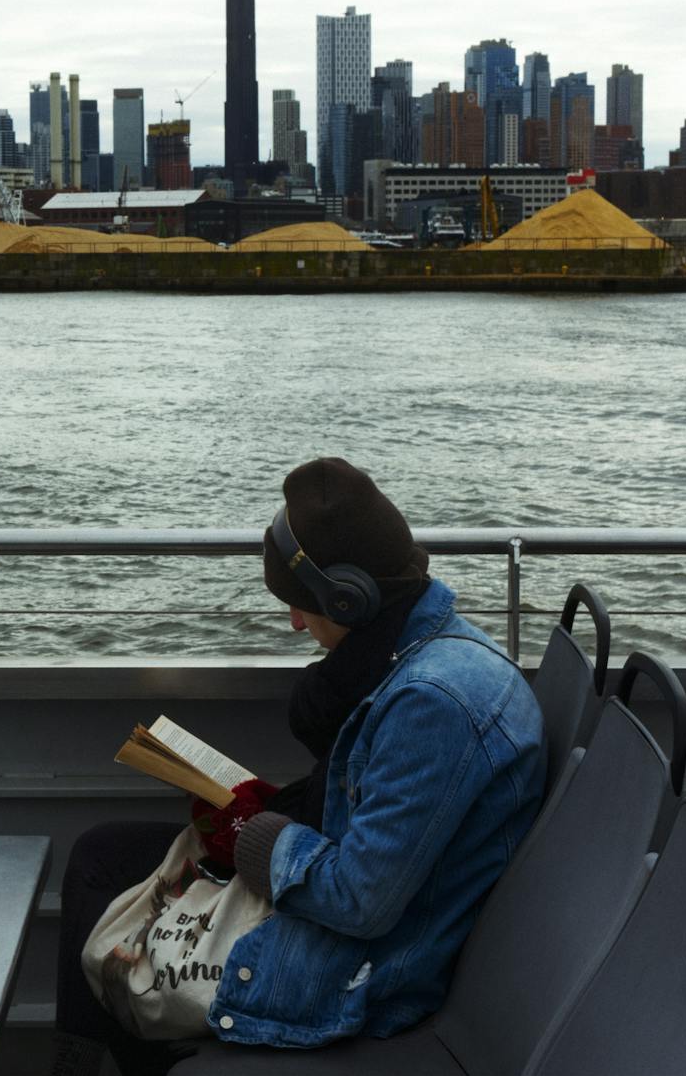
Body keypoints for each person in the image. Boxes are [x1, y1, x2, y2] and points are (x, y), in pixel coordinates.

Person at [51, 459, 544, 1075]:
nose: (293, 621)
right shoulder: (414, 652)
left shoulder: (433, 706)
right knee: (101, 853)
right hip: (352, 917)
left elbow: (361, 899)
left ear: (351, 596)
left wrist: (255, 836)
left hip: (360, 973)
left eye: (302, 604)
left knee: (111, 889)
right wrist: (271, 813)